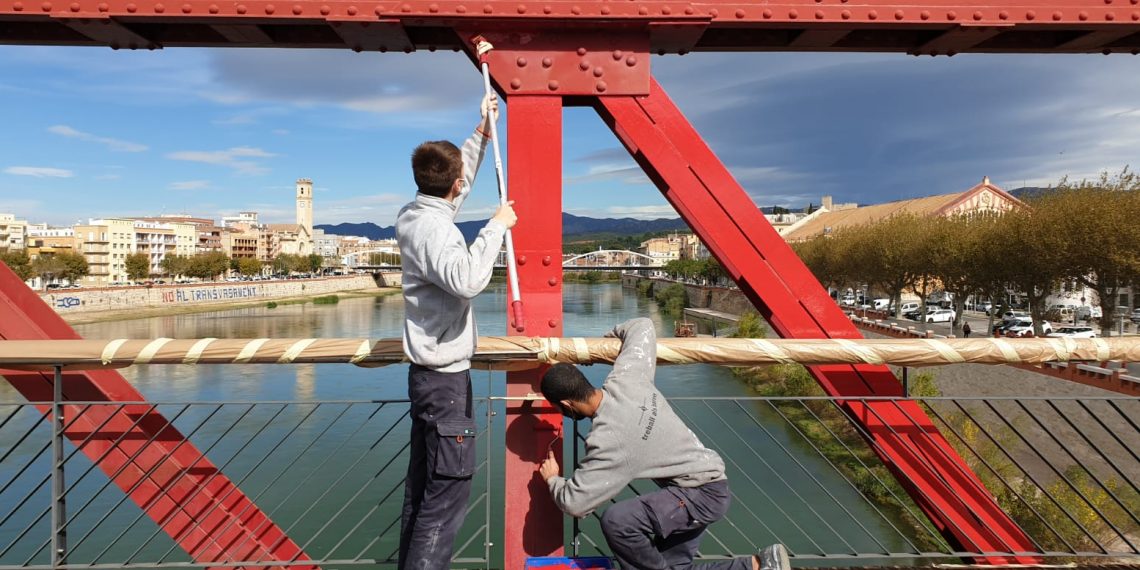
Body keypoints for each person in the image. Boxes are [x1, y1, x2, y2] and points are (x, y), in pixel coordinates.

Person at [538, 317, 792, 570]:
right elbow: (642, 325)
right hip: (707, 483)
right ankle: (761, 564)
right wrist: (597, 346)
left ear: (567, 405)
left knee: (618, 521)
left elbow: (575, 502)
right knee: (675, 567)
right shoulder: (627, 378)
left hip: (698, 495)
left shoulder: (609, 440)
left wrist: (553, 479)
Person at [395, 92, 517, 570]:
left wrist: (482, 130)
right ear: (457, 185)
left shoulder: (414, 213)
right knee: (445, 503)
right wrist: (495, 227)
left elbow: (455, 179)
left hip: (426, 378)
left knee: (423, 496)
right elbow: (467, 280)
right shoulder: (440, 233)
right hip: (445, 381)